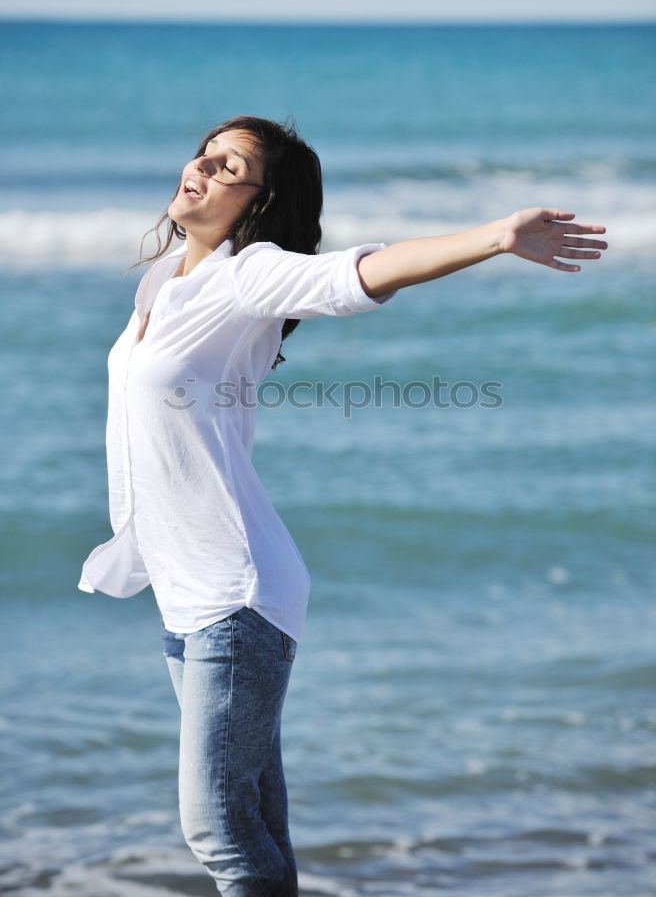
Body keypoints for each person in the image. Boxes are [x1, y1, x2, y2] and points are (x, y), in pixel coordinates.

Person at [78, 115, 607, 895]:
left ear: (259, 202)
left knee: (218, 830)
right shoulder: (164, 284)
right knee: (255, 821)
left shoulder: (248, 273)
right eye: (205, 154)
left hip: (236, 592)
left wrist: (495, 236)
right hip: (187, 593)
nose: (201, 166)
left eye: (229, 166)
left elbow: (357, 274)